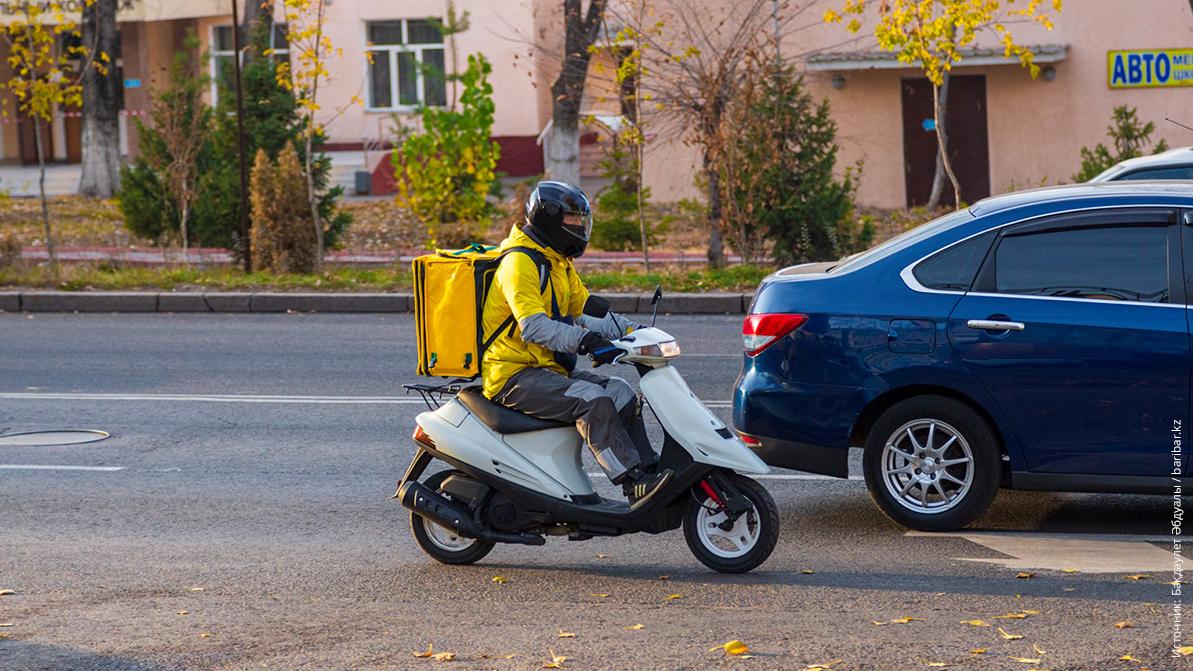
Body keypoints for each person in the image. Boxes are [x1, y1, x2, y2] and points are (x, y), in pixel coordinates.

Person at [480, 181, 672, 509]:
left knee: (620, 392)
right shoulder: (519, 264)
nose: (580, 227)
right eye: (573, 219)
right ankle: (630, 477)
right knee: (592, 399)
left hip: (545, 370)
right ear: (550, 218)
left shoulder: (556, 261)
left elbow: (585, 312)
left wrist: (635, 333)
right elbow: (534, 327)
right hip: (512, 374)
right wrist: (586, 342)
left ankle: (648, 472)